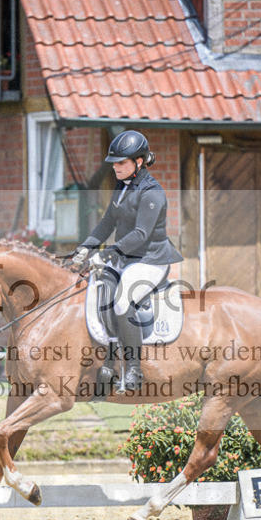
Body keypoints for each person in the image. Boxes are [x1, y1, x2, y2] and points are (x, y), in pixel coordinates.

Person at [72, 130, 183, 393]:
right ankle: (106, 360)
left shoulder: (152, 192)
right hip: (126, 258)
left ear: (139, 162)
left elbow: (141, 234)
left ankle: (134, 369)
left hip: (150, 260)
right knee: (95, 286)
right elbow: (107, 222)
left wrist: (109, 252)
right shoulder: (122, 187)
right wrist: (86, 247)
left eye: (121, 162)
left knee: (123, 300)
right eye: (114, 162)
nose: (115, 167)